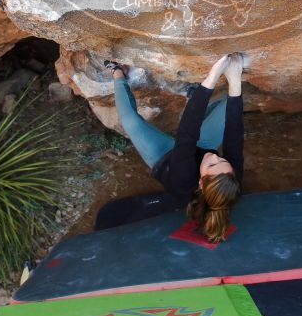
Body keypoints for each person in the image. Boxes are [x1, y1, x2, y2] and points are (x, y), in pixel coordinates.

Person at [104, 53, 244, 243]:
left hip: (163, 156)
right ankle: (193, 99)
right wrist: (234, 81)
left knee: (129, 120)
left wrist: (212, 76)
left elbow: (186, 134)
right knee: (232, 103)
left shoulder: (184, 181)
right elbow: (234, 135)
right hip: (199, 147)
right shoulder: (231, 180)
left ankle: (117, 72)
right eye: (222, 159)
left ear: (201, 184)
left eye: (213, 165)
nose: (215, 157)